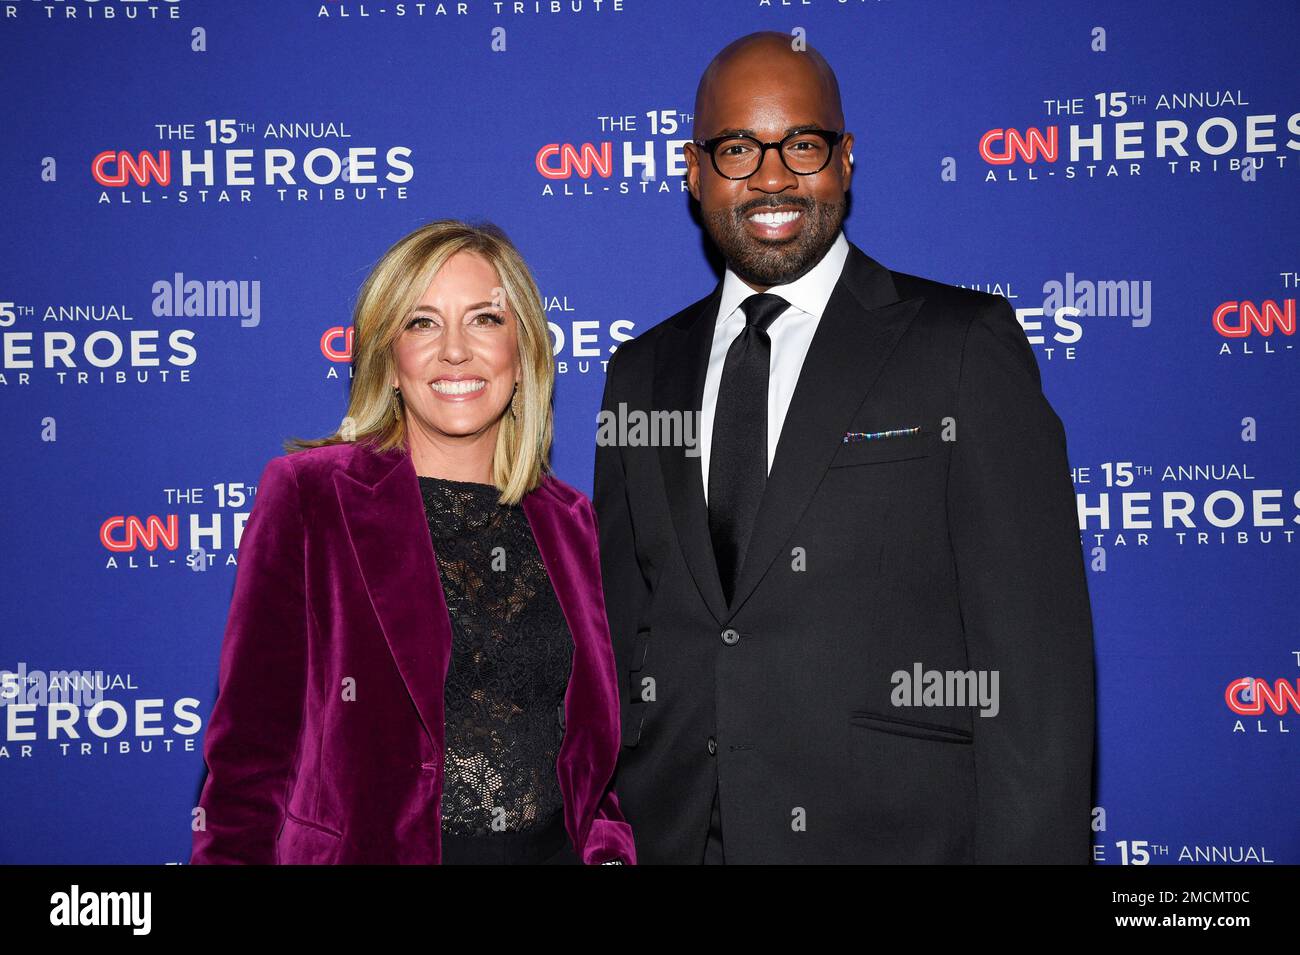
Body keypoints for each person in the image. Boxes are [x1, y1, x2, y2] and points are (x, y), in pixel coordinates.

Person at [593, 32, 1095, 863]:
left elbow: (1035, 664)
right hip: (676, 836)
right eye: (736, 148)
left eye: (802, 143)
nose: (772, 175)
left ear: (845, 157)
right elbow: (624, 625)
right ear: (692, 169)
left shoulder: (961, 345)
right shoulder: (640, 371)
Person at [191, 220, 634, 865]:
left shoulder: (571, 522)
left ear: (524, 351)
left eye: (484, 319)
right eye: (422, 323)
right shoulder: (313, 496)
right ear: (388, 360)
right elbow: (249, 754)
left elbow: (590, 762)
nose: (455, 350)